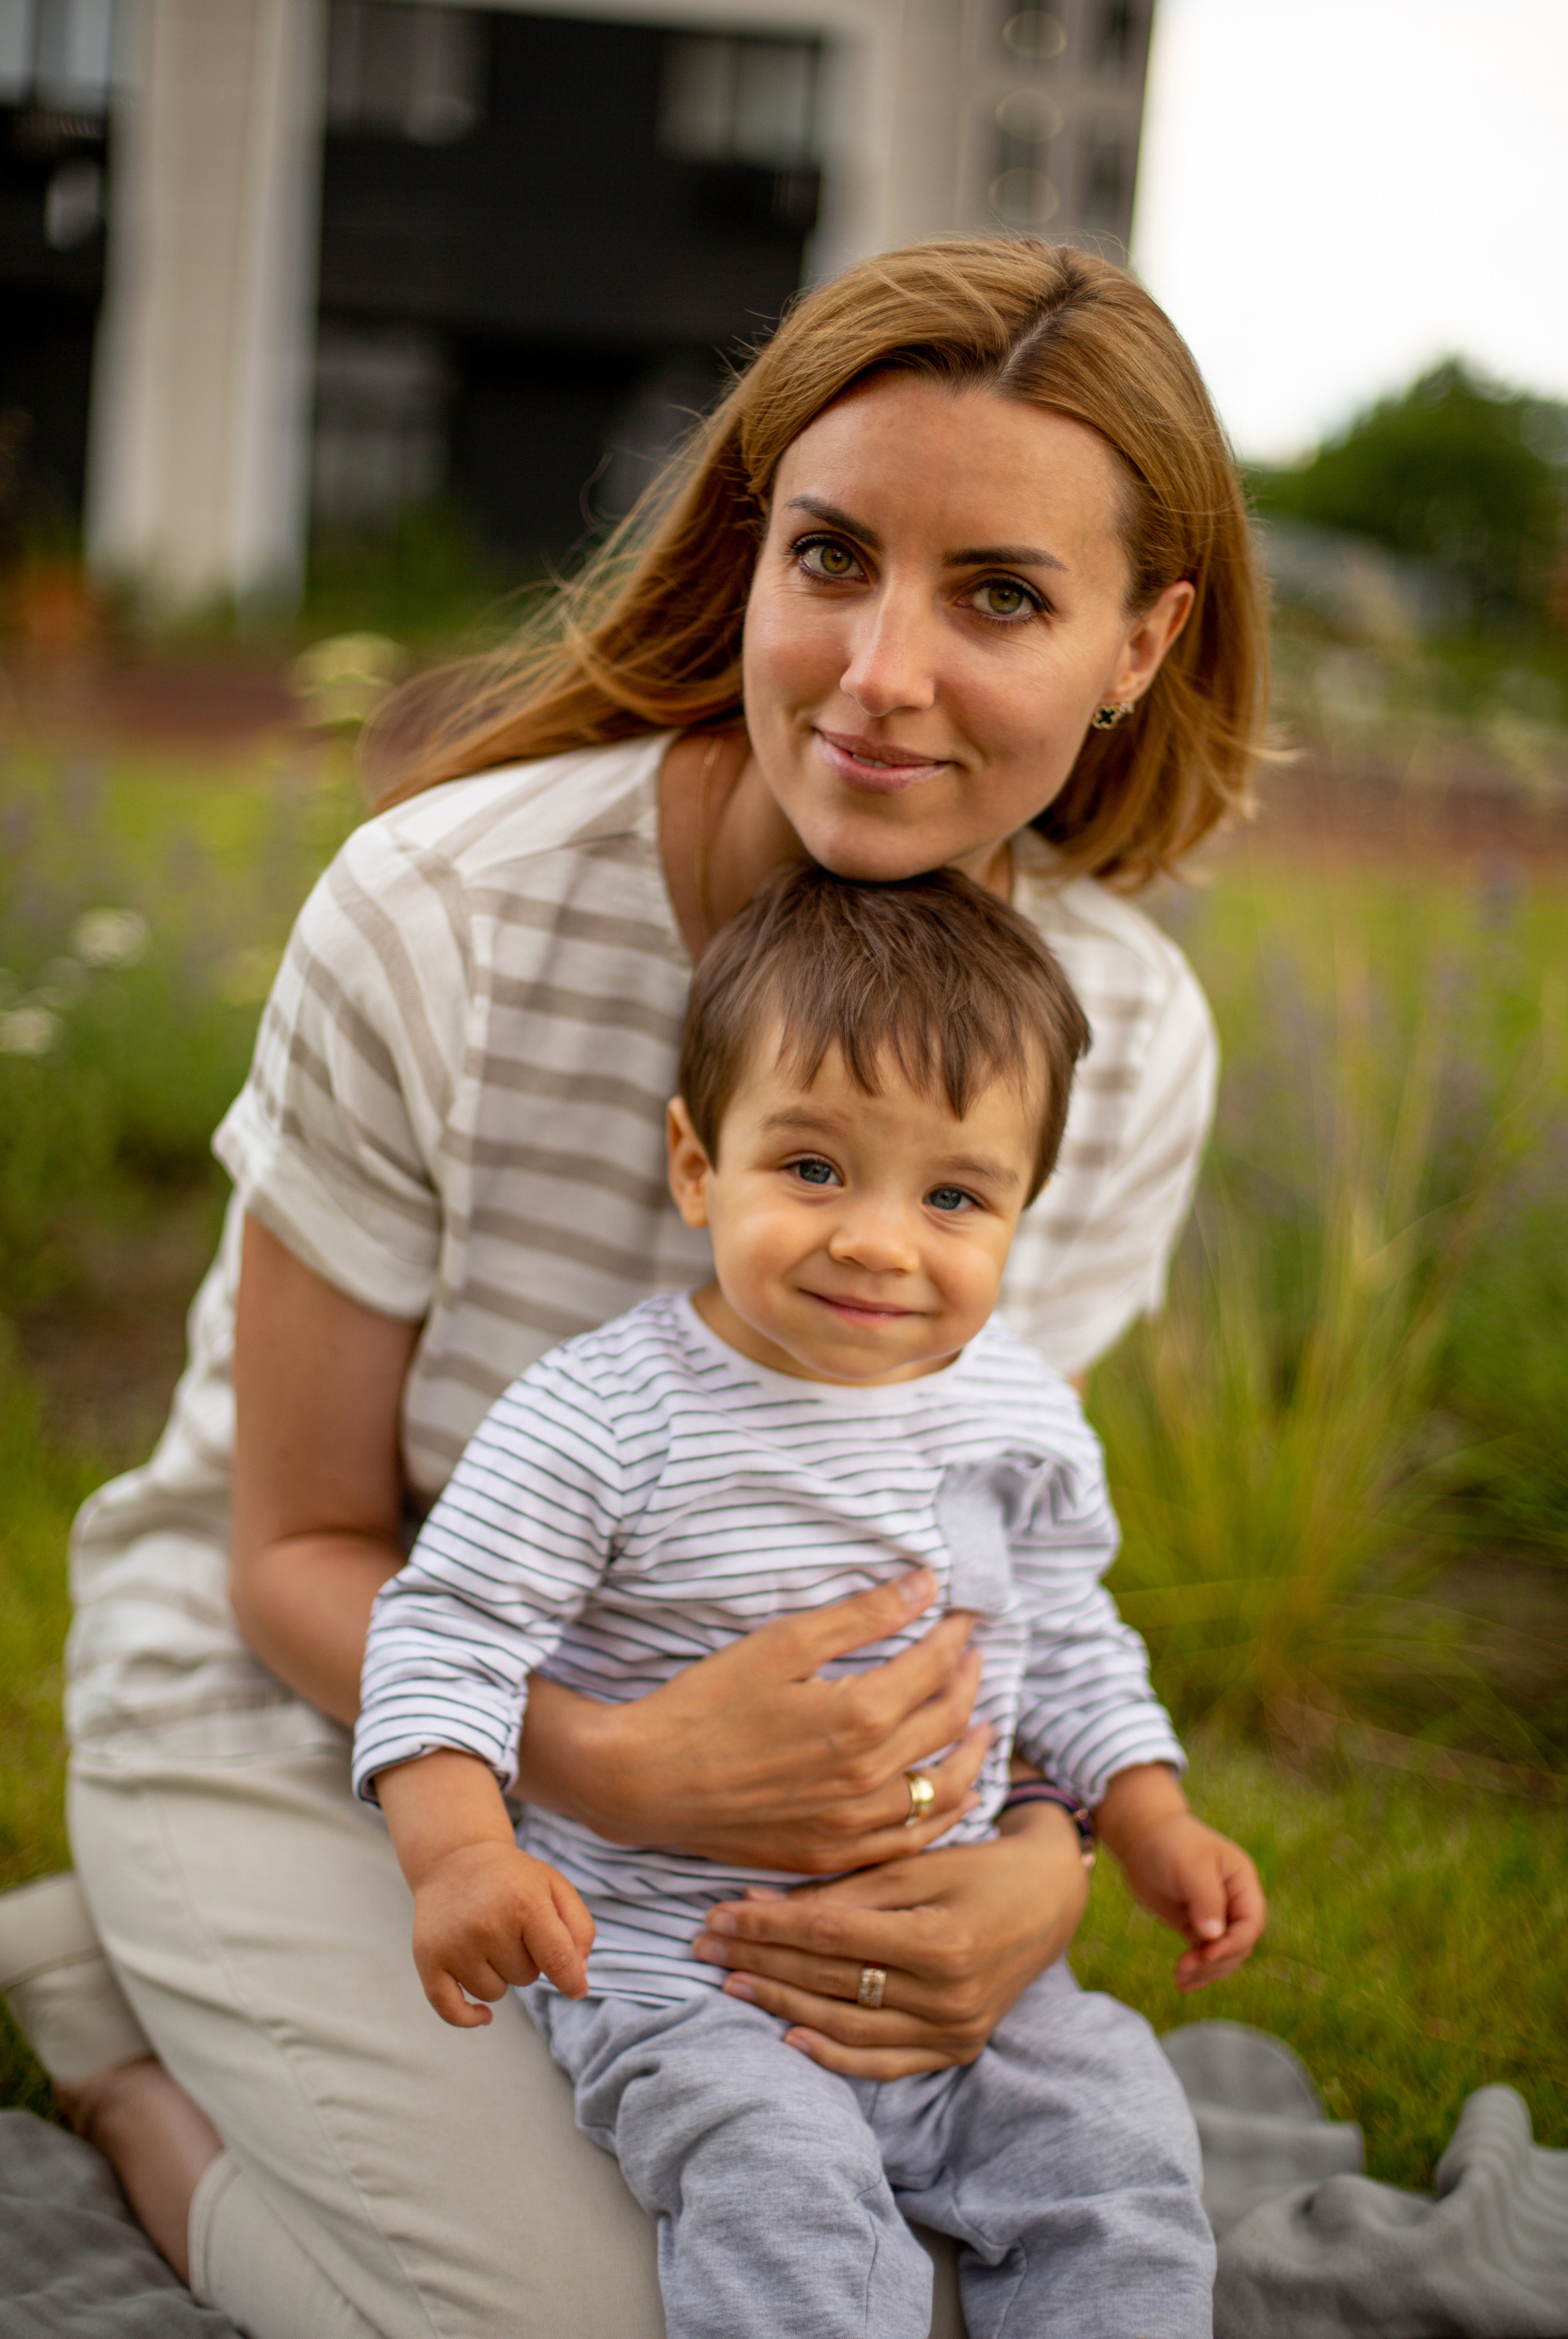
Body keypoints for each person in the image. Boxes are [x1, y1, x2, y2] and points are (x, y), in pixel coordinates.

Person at [0, 234, 1271, 2338]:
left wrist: (1047, 1861)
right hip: (317, 1709)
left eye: (1004, 597)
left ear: (1145, 642)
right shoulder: (449, 917)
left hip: (751, 1841)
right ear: (751, 543)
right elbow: (297, 1539)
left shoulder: (1118, 1040)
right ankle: (121, 2047)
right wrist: (602, 1771)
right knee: (602, 2319)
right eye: (835, 557)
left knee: (939, 2279)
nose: (878, 674)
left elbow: (989, 1550)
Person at [356, 862, 1263, 2339]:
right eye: (815, 1168)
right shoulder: (604, 1416)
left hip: (957, 1961)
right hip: (682, 1968)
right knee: (784, 2202)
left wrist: (1146, 1812)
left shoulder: (1015, 1415)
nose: (878, 1240)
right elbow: (447, 1627)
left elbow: (1066, 1637)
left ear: (1021, 1211)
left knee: (1123, 2157)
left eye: (954, 1194)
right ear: (697, 1161)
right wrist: (459, 1851)